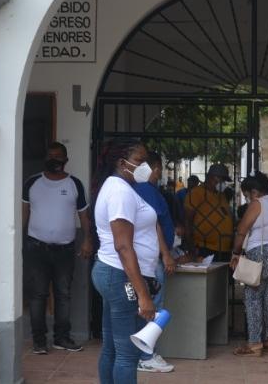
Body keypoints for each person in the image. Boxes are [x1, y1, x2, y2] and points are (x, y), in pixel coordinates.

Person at [91, 138, 159, 384]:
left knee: (112, 347)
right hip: (120, 276)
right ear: (122, 163)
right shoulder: (120, 192)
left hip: (114, 273)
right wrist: (143, 295)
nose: (145, 167)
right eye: (140, 161)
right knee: (127, 353)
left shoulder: (117, 187)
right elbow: (123, 245)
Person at [22, 142, 92, 354]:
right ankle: (39, 341)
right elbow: (23, 213)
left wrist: (87, 239)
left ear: (66, 159)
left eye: (58, 156)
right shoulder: (32, 182)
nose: (54, 159)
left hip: (65, 250)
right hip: (36, 248)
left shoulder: (74, 184)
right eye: (50, 155)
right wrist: (18, 241)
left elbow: (84, 216)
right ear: (45, 158)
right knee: (38, 295)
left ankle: (62, 338)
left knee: (63, 294)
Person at [230, 172, 268, 357]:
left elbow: (242, 230)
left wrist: (236, 253)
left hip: (263, 252)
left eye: (247, 195)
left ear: (255, 192)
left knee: (253, 295)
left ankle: (255, 343)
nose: (248, 200)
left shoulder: (257, 204)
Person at [130, 152, 177, 374]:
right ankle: (146, 355)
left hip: (148, 256)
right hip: (151, 259)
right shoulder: (147, 190)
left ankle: (142, 354)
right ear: (155, 169)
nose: (159, 175)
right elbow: (154, 224)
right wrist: (166, 254)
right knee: (152, 307)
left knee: (146, 306)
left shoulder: (138, 189)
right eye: (159, 170)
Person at [184, 164, 235, 262]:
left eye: (224, 180)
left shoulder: (221, 195)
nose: (222, 183)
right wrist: (191, 247)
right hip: (205, 249)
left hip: (224, 250)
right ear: (209, 177)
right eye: (220, 179)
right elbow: (188, 221)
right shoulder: (196, 193)